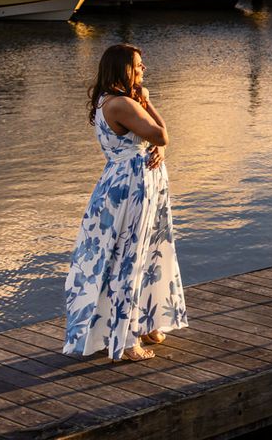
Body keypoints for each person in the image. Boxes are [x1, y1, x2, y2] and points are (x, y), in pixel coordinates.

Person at [62, 43, 188, 361]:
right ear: (124, 69)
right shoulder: (121, 104)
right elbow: (161, 134)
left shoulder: (114, 100)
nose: (144, 69)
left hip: (130, 182)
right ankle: (127, 339)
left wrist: (154, 146)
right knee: (128, 259)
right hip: (132, 189)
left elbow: (144, 142)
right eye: (138, 64)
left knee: (148, 254)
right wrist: (148, 102)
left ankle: (147, 322)